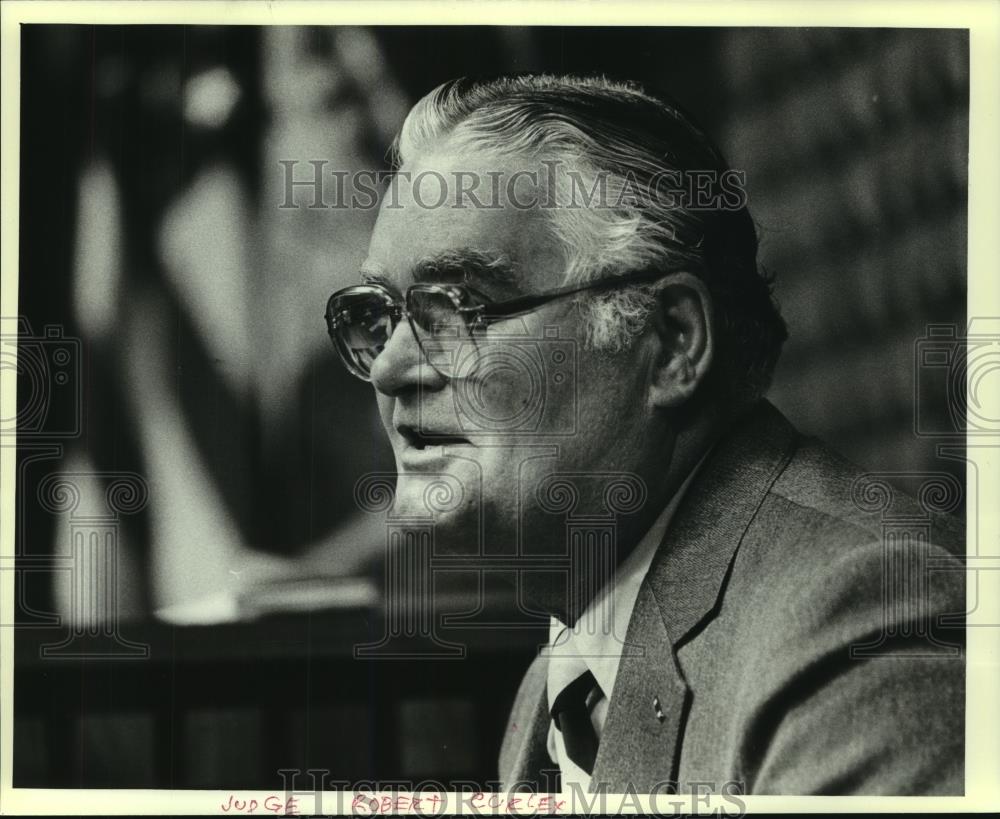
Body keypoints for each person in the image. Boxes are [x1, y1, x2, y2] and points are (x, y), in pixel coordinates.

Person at [324, 74, 965, 795]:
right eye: (381, 314)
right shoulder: (558, 678)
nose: (389, 366)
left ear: (670, 342)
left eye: (459, 306)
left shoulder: (863, 620)